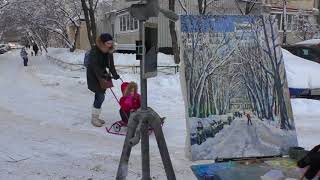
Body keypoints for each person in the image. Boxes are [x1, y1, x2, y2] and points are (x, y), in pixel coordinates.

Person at [86, 33, 120, 127]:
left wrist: (115, 74)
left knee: (101, 95)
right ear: (103, 43)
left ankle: (96, 116)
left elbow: (111, 65)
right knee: (100, 96)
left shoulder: (109, 50)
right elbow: (95, 66)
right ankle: (94, 118)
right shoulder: (95, 51)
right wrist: (104, 75)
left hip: (103, 74)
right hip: (94, 75)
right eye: (108, 43)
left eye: (111, 42)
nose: (110, 45)